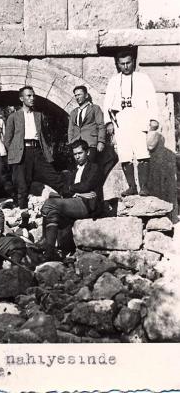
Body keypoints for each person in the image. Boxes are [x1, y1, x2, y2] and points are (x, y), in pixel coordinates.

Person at [103, 49, 159, 196]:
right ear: (118, 65)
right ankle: (132, 187)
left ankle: (144, 187)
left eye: (128, 63)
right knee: (125, 155)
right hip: (121, 121)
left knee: (142, 153)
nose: (126, 66)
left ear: (133, 62)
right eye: (122, 64)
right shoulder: (114, 81)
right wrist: (108, 123)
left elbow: (152, 99)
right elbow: (107, 103)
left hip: (139, 119)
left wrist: (154, 119)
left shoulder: (143, 78)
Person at [4, 86, 65, 209]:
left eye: (33, 95)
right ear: (21, 98)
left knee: (54, 177)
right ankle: (23, 216)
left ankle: (71, 201)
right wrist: (15, 153)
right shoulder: (13, 117)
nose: (32, 98)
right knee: (22, 186)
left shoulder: (39, 116)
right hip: (21, 154)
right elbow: (7, 140)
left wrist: (46, 151)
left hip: (37, 151)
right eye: (29, 96)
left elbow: (45, 136)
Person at [40, 140, 100, 260]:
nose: (77, 156)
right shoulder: (74, 171)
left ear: (87, 152)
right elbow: (66, 191)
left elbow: (86, 185)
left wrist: (72, 189)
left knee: (49, 203)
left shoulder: (94, 167)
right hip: (75, 201)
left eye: (80, 153)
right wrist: (76, 191)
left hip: (86, 205)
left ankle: (44, 241)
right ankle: (50, 251)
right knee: (53, 212)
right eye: (75, 154)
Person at [68, 85, 106, 163]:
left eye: (79, 95)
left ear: (86, 95)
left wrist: (101, 142)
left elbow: (101, 126)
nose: (77, 97)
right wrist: (71, 143)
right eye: (75, 95)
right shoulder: (73, 112)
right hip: (77, 145)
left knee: (90, 168)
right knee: (79, 169)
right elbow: (70, 130)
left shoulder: (95, 108)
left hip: (90, 144)